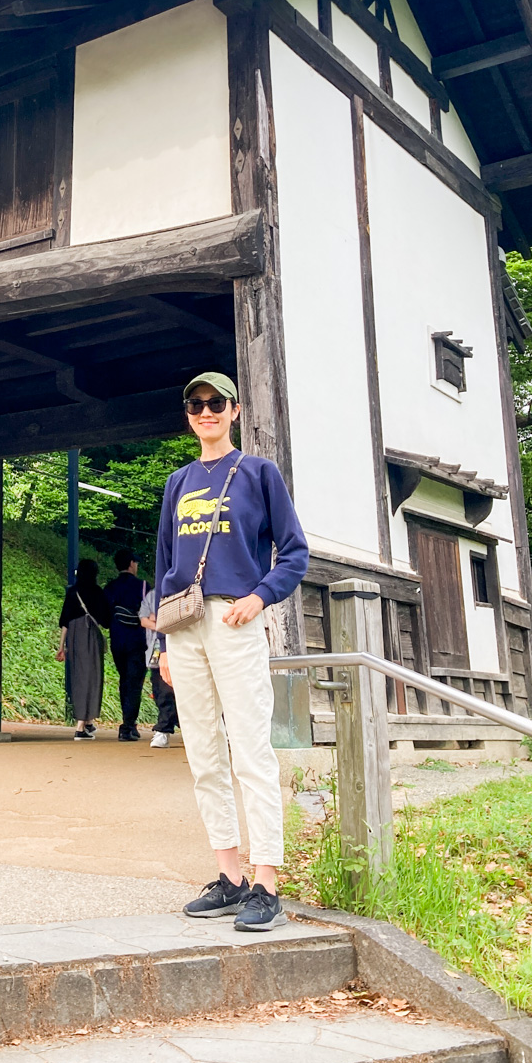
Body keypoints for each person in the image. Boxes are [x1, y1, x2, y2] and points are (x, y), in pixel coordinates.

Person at [155, 371, 309, 932]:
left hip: (233, 618)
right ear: (188, 414)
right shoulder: (177, 482)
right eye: (195, 404)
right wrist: (162, 644)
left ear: (235, 410)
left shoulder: (259, 474)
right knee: (203, 755)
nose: (206, 411)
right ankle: (229, 877)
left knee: (250, 751)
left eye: (216, 402)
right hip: (184, 626)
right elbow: (164, 562)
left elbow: (294, 552)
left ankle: (266, 884)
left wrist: (259, 597)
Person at [57, 559, 109, 739]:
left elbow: (64, 621)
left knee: (79, 677)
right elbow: (106, 620)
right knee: (92, 677)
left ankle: (86, 722)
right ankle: (81, 725)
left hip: (74, 637)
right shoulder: (97, 592)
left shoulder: (73, 592)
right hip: (91, 636)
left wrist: (61, 646)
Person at [104, 548, 150, 741]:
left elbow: (104, 617)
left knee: (125, 680)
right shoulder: (143, 586)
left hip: (117, 640)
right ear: (131, 564)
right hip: (138, 641)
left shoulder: (110, 587)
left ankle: (129, 722)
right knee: (134, 682)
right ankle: (128, 725)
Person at [139, 585, 179, 748]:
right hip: (156, 652)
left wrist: (157, 619)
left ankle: (166, 728)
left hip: (182, 648)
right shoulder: (152, 595)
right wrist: (164, 623)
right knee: (161, 691)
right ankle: (164, 729)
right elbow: (143, 620)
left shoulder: (184, 589)